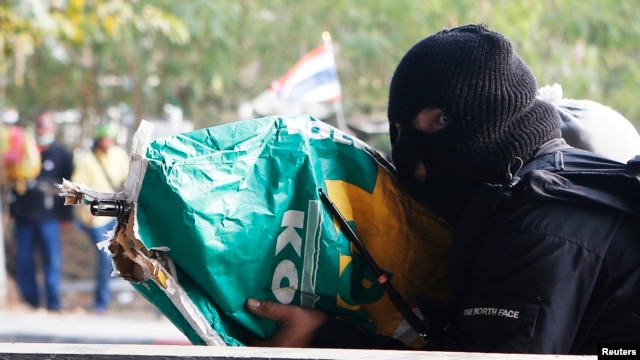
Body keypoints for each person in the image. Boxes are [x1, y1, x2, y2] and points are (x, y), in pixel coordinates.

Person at [243, 24, 640, 354]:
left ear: (500, 113)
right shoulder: (526, 195)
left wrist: (321, 337)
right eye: (398, 132)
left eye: (441, 120)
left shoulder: (539, 224)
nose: (413, 161)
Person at [8, 111, 74, 312]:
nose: (42, 129)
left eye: (46, 125)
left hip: (50, 217)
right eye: (39, 125)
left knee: (52, 260)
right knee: (25, 260)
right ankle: (32, 301)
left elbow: (69, 187)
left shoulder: (62, 155)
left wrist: (66, 217)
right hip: (24, 217)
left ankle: (53, 302)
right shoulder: (22, 153)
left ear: (53, 128)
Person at [70, 123, 130, 313]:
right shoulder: (87, 160)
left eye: (110, 139)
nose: (107, 143)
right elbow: (77, 187)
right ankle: (101, 301)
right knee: (105, 256)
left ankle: (110, 295)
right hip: (95, 216)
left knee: (118, 255)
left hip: (115, 213)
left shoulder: (119, 155)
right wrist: (84, 212)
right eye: (104, 139)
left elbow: (128, 178)